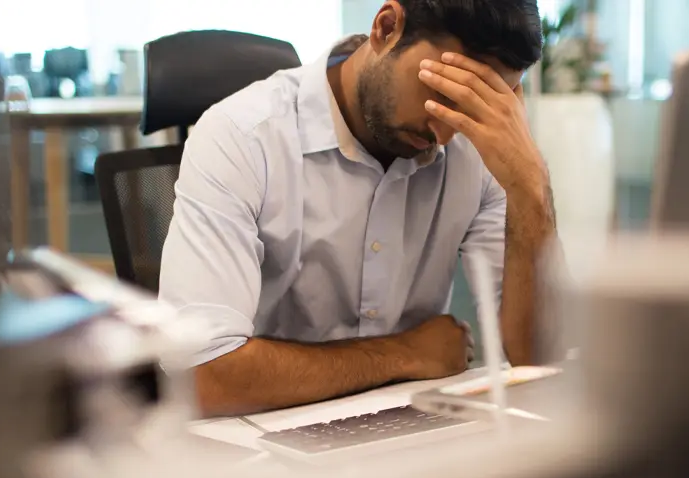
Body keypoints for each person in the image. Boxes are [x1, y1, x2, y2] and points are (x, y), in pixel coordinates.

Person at [160, 0, 556, 417]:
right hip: (261, 441)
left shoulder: (475, 147)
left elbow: (537, 361)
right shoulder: (243, 136)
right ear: (386, 28)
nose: (444, 133)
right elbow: (203, 379)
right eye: (442, 95)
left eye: (474, 106)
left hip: (412, 430)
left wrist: (532, 190)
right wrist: (403, 355)